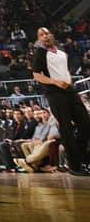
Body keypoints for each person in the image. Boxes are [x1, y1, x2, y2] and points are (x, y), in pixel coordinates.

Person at [31, 26, 90, 175]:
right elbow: (37, 75)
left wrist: (68, 79)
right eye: (41, 35)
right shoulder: (40, 53)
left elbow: (64, 70)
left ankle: (78, 155)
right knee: (66, 128)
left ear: (51, 35)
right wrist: (55, 82)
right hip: (55, 94)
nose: (45, 36)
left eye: (46, 33)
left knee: (86, 124)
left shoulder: (63, 53)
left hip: (70, 91)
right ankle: (74, 166)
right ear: (39, 39)